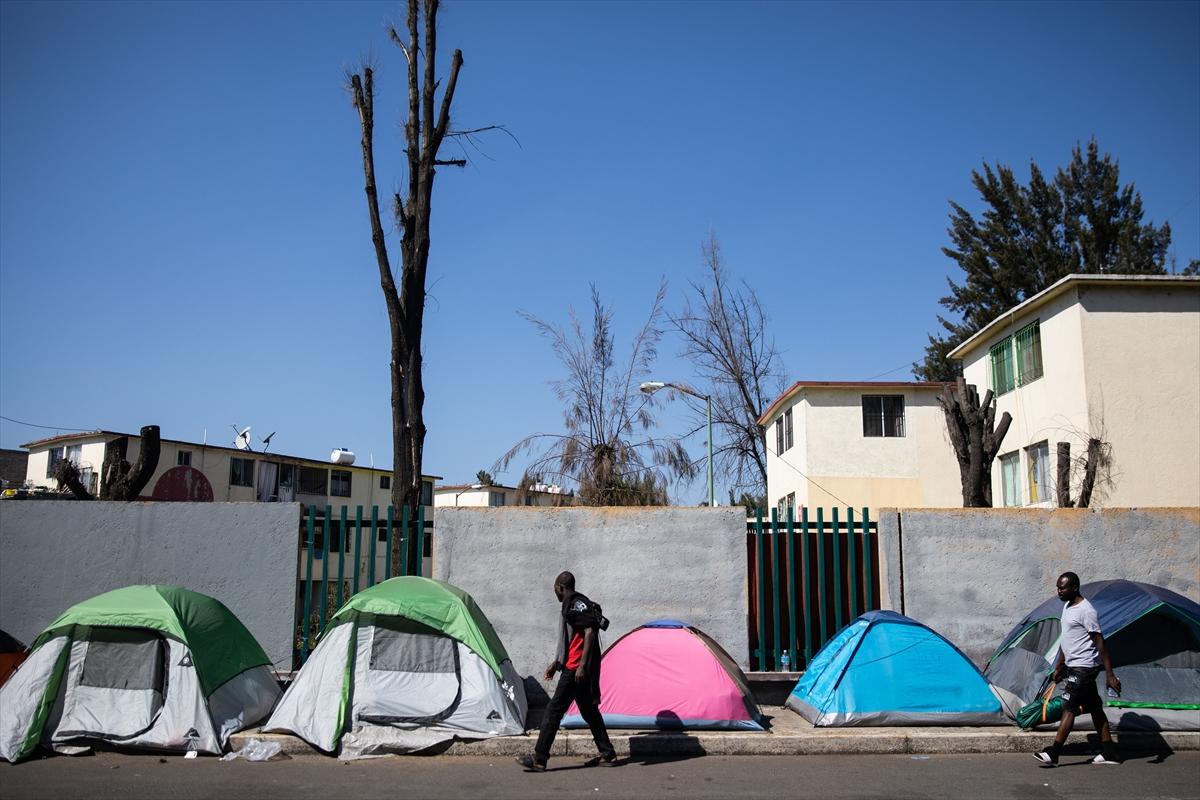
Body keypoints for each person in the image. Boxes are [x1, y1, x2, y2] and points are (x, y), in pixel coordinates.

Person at [517, 571, 617, 772]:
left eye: (555, 589)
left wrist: (580, 666)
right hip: (575, 667)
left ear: (560, 587)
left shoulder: (574, 604)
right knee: (589, 711)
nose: (555, 593)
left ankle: (539, 758)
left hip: (575, 670)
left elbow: (589, 632)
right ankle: (608, 753)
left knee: (553, 711)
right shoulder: (575, 603)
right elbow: (573, 637)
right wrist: (557, 663)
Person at [1034, 571, 1122, 766]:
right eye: (1058, 587)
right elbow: (1069, 640)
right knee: (1096, 709)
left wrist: (1110, 674)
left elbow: (1100, 642)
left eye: (1062, 587)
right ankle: (1109, 752)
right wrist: (1059, 665)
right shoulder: (1067, 606)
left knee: (1069, 707)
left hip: (1084, 667)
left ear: (1074, 587)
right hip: (1073, 666)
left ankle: (1054, 753)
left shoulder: (1086, 610)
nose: (1058, 591)